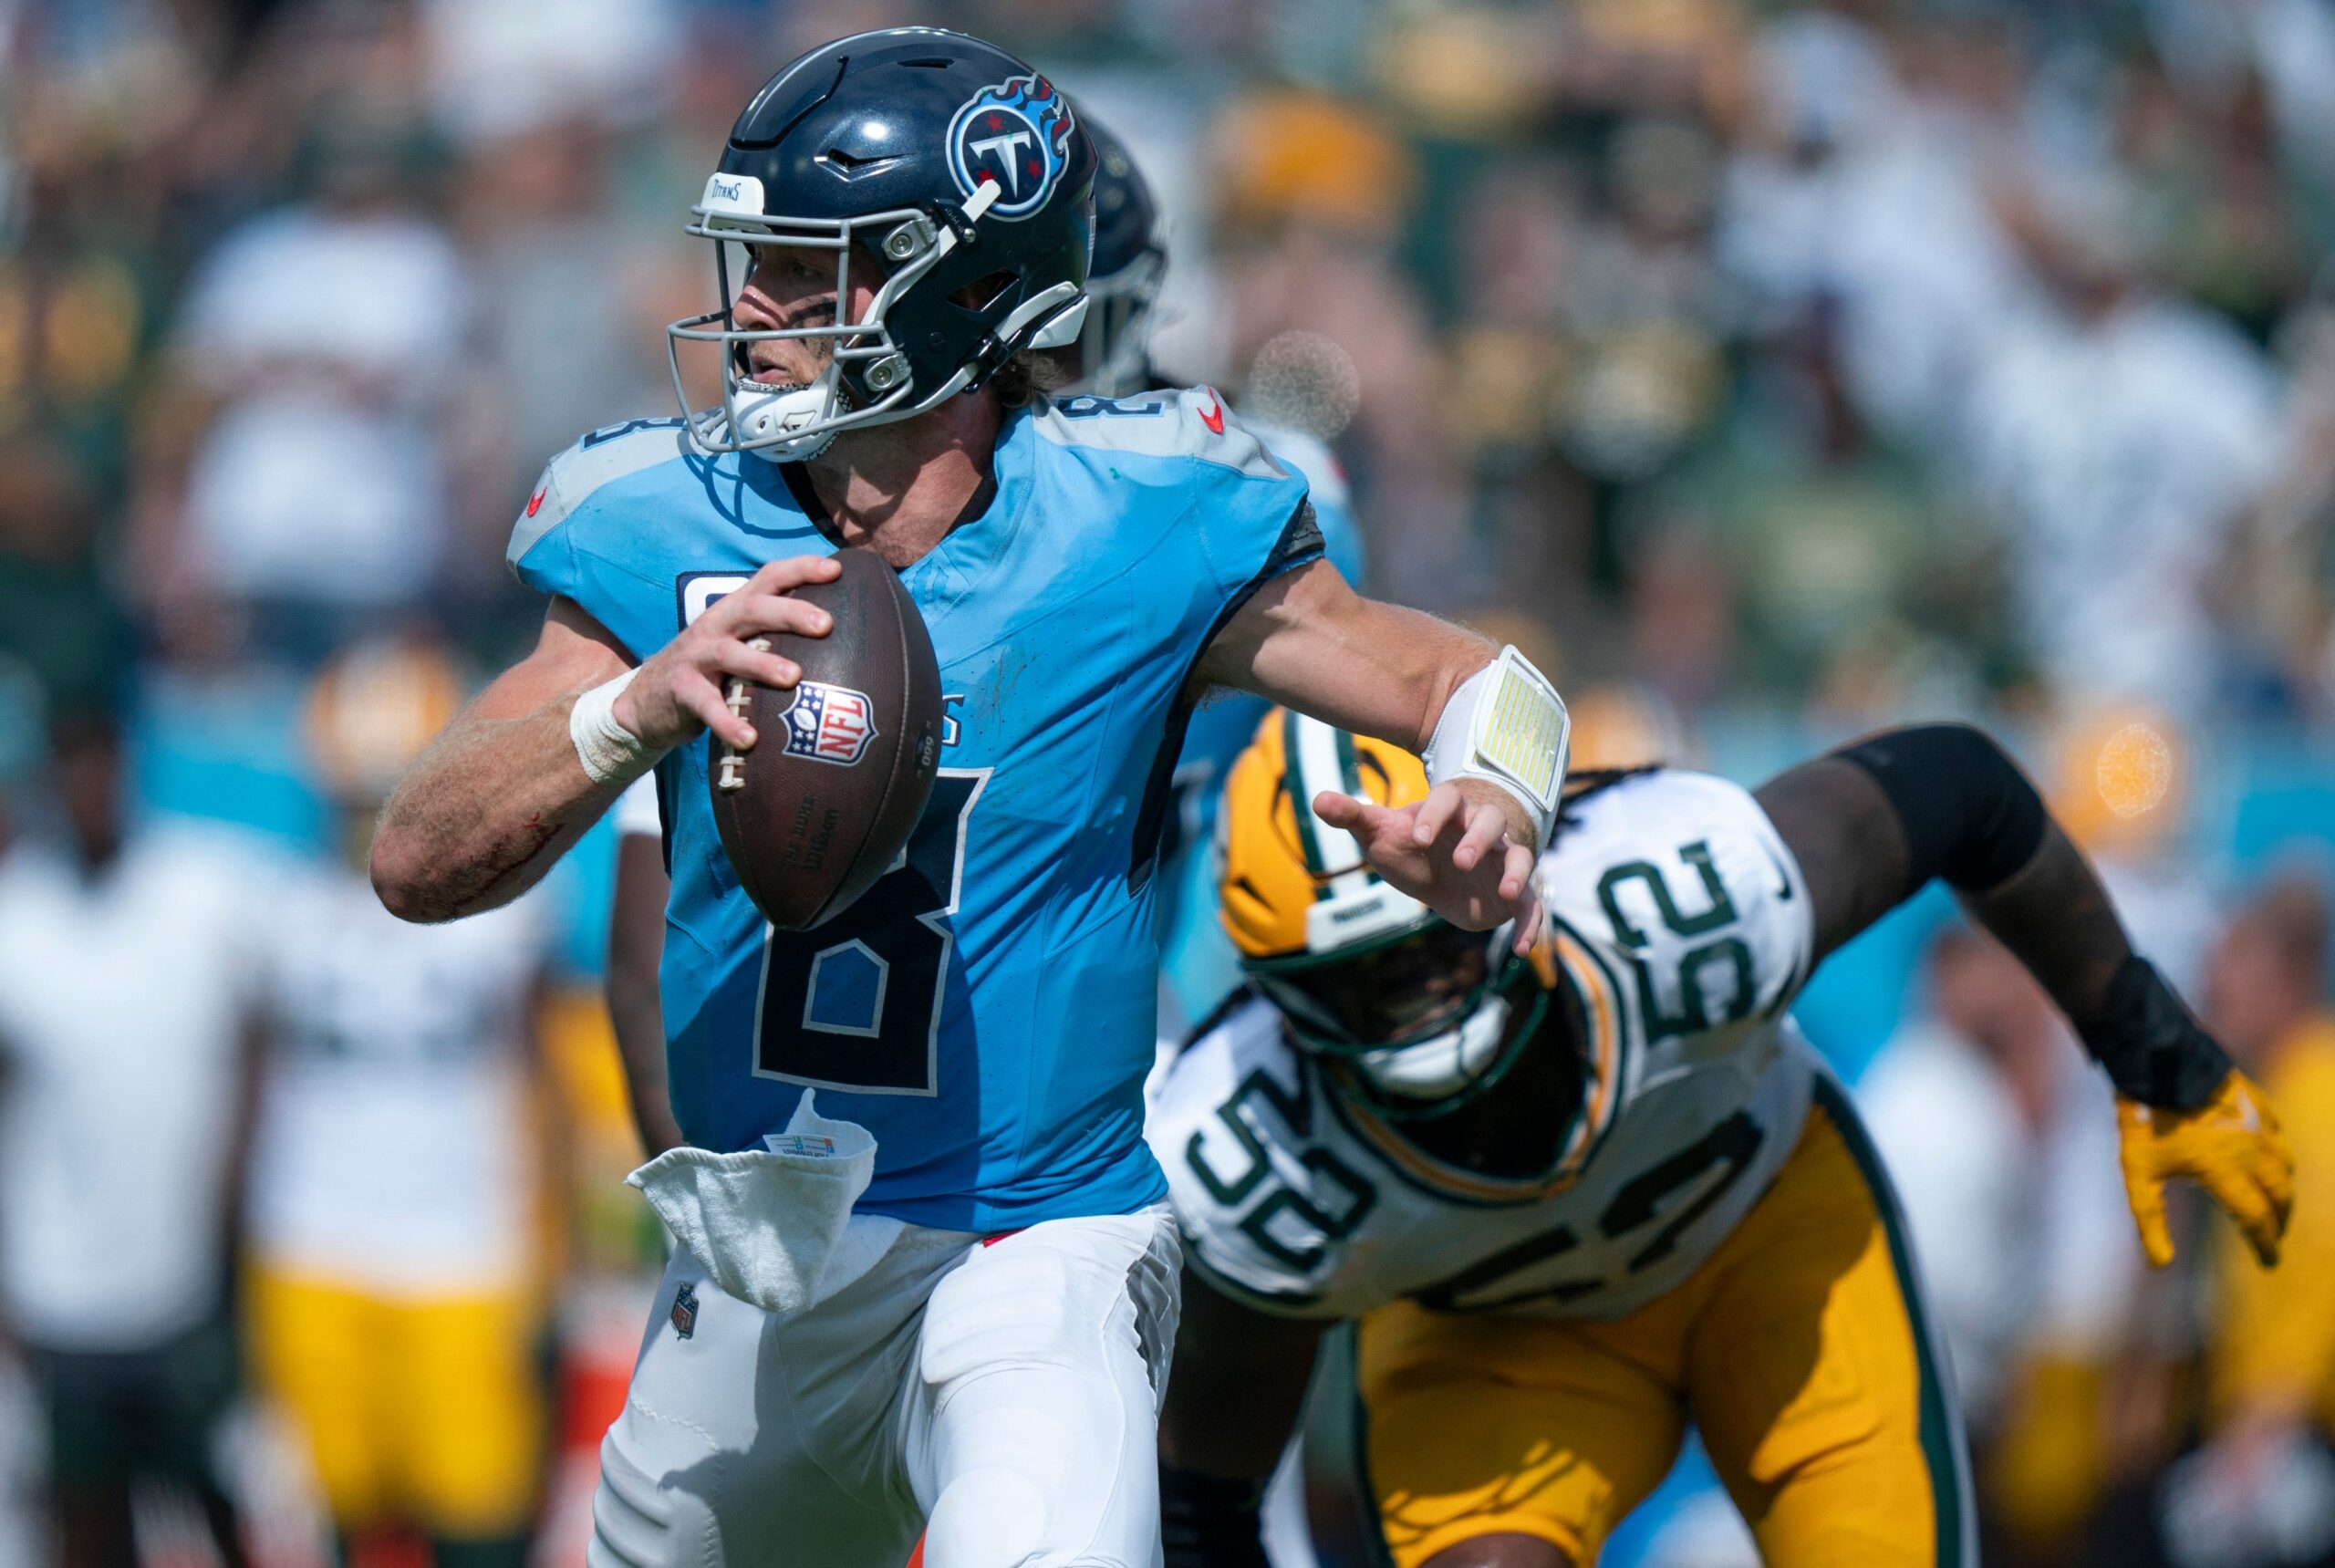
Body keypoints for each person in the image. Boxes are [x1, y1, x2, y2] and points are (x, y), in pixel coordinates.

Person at [369, 28, 1565, 1568]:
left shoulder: (1139, 514)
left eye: (814, 272)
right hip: (768, 1245)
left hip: (1037, 1229)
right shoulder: (655, 517)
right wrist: (633, 704)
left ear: (962, 290)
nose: (756, 310)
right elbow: (415, 852)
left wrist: (1493, 795)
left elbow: (1482, 681)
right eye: (755, 263)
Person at [1148, 715, 2294, 1568]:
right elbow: (1206, 1499)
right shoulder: (1246, 1151)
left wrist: (2163, 1061)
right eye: (1361, 983)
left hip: (1770, 1245)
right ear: (1276, 998)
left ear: (1508, 874)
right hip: (1493, 1334)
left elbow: (1959, 786)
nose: (1413, 1001)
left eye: (1433, 941)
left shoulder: (1674, 893)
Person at [247, 640, 561, 1568]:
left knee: (480, 1524)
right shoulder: (281, 911)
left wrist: (554, 1248)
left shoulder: (508, 920)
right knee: (325, 1524)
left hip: (462, 1246)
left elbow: (535, 1075)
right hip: (311, 1236)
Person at [0, 707, 262, 1568]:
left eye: (100, 763)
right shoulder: (20, 915)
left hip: (184, 1289)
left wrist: (232, 1200)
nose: (86, 787)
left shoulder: (201, 892)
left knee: (211, 1511)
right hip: (59, 1291)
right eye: (68, 768)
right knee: (85, 1522)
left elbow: (263, 1029)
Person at [2154, 872, 2335, 1568]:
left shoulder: (2313, 1095)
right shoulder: (2278, 1088)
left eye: (2231, 962)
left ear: (2286, 974)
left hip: (2293, 1430)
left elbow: (2320, 1264)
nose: (2214, 984)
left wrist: (2266, 1419)